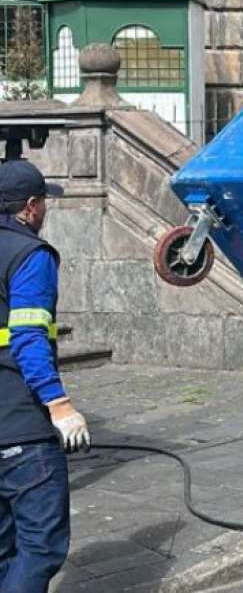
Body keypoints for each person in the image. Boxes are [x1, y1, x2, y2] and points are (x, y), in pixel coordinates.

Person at [0, 159, 90, 593]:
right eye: (43, 204)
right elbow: (29, 335)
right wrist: (60, 405)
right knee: (40, 546)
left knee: (3, 547)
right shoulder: (29, 255)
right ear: (31, 205)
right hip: (21, 425)